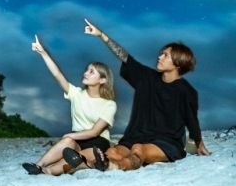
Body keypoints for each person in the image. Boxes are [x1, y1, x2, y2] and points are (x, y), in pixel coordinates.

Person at [83, 18, 211, 170]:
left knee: (139, 149)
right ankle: (107, 162)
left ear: (178, 62)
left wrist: (199, 144)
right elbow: (124, 56)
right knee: (113, 151)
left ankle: (117, 166)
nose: (159, 57)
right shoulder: (146, 77)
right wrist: (101, 35)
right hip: (135, 136)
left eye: (165, 55)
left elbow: (192, 121)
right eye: (161, 53)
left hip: (166, 142)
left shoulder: (187, 91)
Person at [22, 34, 117, 175]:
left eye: (92, 72)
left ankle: (49, 171)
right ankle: (38, 165)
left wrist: (70, 136)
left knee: (80, 156)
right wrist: (43, 53)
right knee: (68, 145)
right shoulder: (76, 93)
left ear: (102, 80)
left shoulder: (109, 104)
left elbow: (95, 132)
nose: (86, 73)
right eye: (87, 69)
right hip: (76, 138)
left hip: (98, 141)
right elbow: (57, 74)